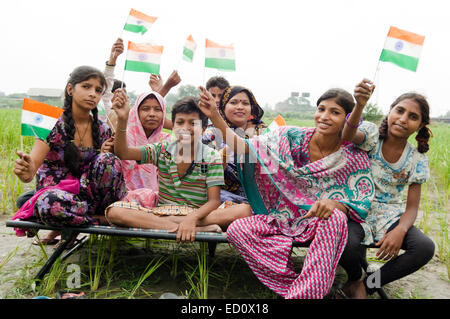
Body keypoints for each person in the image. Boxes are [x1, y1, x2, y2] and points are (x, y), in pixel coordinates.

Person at [197, 85, 375, 299]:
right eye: (321, 109)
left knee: (335, 217)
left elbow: (359, 197)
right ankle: (301, 288)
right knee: (239, 229)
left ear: (348, 119)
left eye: (334, 112)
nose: (324, 116)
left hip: (317, 221)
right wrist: (215, 116)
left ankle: (308, 292)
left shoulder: (352, 156)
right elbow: (244, 147)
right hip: (281, 216)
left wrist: (335, 204)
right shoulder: (289, 136)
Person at [338, 79, 435, 299]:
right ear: (390, 111)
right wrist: (360, 105)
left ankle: (366, 285)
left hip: (389, 216)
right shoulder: (372, 137)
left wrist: (400, 230)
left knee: (424, 248)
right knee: (346, 243)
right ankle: (353, 278)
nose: (403, 119)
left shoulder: (417, 159)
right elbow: (347, 135)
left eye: (413, 117)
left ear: (420, 126)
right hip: (355, 209)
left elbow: (411, 209)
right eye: (399, 111)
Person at [12, 66, 127, 245]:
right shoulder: (51, 124)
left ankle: (77, 221)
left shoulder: (103, 128)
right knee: (47, 203)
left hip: (88, 198)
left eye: (98, 90)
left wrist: (103, 157)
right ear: (70, 89)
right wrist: (25, 171)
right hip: (60, 196)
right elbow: (30, 171)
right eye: (86, 87)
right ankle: (102, 219)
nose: (93, 94)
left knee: (109, 161)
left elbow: (111, 173)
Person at [105, 91, 230, 242]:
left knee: (244, 210)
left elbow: (214, 201)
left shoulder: (211, 156)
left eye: (193, 123)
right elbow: (123, 153)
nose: (185, 127)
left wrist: (192, 218)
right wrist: (123, 119)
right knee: (114, 212)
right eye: (180, 122)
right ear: (173, 126)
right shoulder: (162, 149)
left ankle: (179, 224)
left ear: (203, 129)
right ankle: (192, 229)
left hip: (197, 213)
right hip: (163, 211)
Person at [202, 86, 267, 204]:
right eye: (233, 102)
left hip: (258, 195)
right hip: (220, 193)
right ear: (223, 107)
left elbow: (272, 167)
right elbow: (203, 173)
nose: (240, 107)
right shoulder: (210, 133)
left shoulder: (263, 132)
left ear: (252, 108)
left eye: (245, 103)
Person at [119, 90, 171, 207]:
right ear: (136, 112)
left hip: (157, 199)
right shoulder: (123, 137)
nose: (152, 114)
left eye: (157, 109)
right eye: (146, 109)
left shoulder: (167, 140)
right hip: (125, 197)